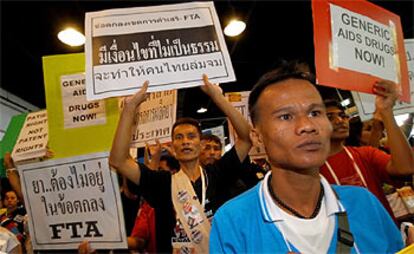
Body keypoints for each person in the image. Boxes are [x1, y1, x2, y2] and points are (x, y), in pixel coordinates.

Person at [210, 62, 403, 253]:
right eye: (285, 116)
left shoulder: (364, 203)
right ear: (257, 135)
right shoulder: (233, 222)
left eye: (315, 113)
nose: (307, 125)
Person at [109, 74, 252, 253]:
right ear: (173, 147)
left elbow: (246, 138)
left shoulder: (217, 174)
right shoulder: (161, 182)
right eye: (179, 137)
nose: (185, 141)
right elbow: (118, 160)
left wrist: (217, 97)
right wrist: (130, 107)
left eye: (191, 136)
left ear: (201, 145)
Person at [320, 85, 414, 221]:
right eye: (330, 117)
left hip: (386, 235)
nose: (340, 121)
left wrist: (387, 113)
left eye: (342, 115)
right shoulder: (310, 168)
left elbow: (406, 168)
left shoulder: (365, 154)